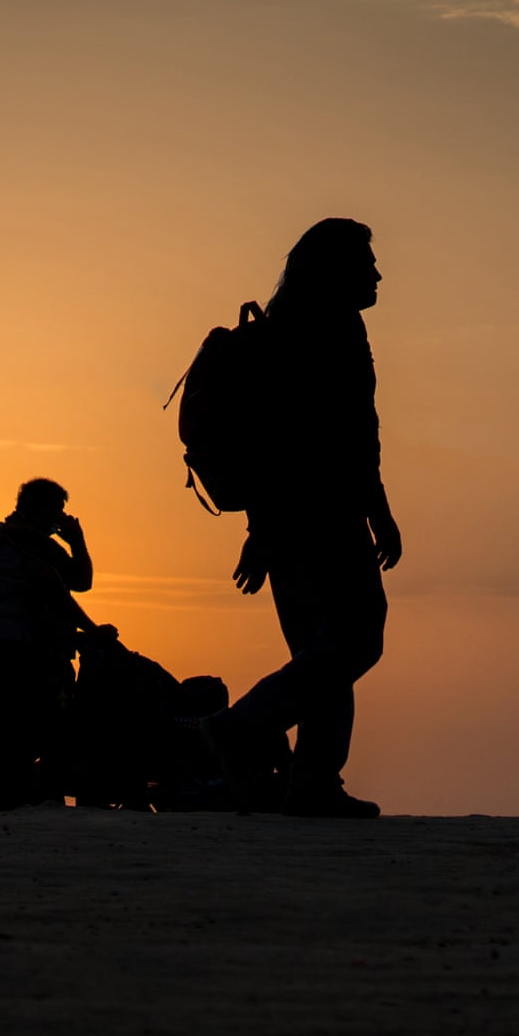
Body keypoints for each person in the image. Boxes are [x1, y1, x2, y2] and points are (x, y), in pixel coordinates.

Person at [201, 219, 400, 818]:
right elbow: (308, 440)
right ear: (334, 270)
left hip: (296, 517)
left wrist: (376, 511)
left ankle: (313, 784)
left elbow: (350, 435)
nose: (377, 273)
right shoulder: (317, 332)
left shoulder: (313, 326)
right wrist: (270, 530)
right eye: (365, 264)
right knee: (354, 640)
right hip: (316, 517)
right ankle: (241, 729)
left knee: (323, 653)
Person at [0, 478, 100, 804]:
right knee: (50, 721)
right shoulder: (35, 544)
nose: (61, 518)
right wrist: (77, 540)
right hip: (24, 650)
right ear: (43, 509)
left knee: (11, 720)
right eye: (58, 510)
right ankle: (34, 796)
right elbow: (76, 584)